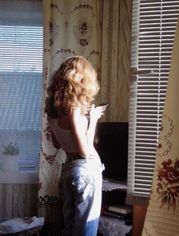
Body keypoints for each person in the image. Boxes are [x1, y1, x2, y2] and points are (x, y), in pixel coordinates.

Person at [44, 55, 106, 236]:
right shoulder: (74, 109)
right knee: (87, 227)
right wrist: (93, 120)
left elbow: (56, 144)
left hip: (68, 170)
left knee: (70, 227)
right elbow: (84, 150)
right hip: (85, 169)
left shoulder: (52, 111)